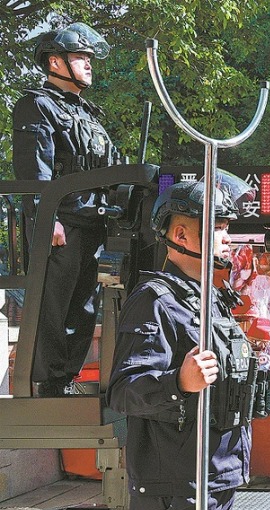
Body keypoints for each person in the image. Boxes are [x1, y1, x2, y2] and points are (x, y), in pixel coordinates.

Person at [108, 179, 255, 510]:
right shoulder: (155, 300)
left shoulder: (209, 299)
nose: (226, 239)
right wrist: (178, 381)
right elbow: (124, 389)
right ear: (182, 234)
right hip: (175, 478)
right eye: (218, 228)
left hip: (216, 472)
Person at [14, 23, 120, 397]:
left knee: (85, 306)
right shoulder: (37, 105)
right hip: (61, 224)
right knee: (54, 304)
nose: (88, 64)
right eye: (80, 57)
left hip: (92, 221)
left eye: (89, 58)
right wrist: (49, 219)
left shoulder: (88, 113)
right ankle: (50, 383)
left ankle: (65, 379)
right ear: (55, 62)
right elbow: (34, 169)